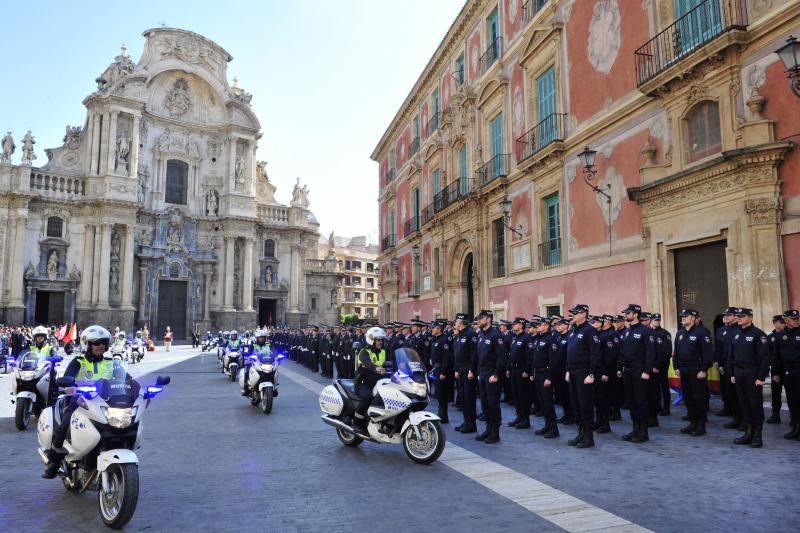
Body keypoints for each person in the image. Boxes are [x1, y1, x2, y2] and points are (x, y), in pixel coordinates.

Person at [42, 325, 114, 478]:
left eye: (104, 342)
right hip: (80, 400)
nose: (101, 345)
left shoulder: (111, 362)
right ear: (87, 344)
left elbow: (125, 378)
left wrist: (138, 388)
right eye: (96, 342)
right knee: (66, 422)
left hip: (105, 401)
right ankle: (54, 461)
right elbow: (68, 377)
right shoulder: (78, 361)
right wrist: (71, 384)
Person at [729, 308, 770, 448]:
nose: (739, 318)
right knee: (743, 403)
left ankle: (757, 435)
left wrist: (761, 376)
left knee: (755, 404)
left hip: (752, 373)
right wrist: (732, 373)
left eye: (742, 316)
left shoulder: (758, 335)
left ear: (750, 317)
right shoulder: (735, 334)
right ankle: (748, 432)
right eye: (738, 316)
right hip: (739, 372)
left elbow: (764, 358)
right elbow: (731, 356)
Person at [565, 304, 603, 448]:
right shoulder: (574, 330)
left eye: (576, 313)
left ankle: (588, 438)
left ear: (584, 314)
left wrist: (591, 373)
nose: (573, 315)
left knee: (585, 405)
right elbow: (569, 352)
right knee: (576, 405)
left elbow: (595, 353)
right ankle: (580, 433)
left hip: (584, 372)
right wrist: (568, 370)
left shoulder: (589, 331)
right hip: (573, 372)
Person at [618, 304, 656, 444]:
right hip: (627, 370)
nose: (625, 315)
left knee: (641, 401)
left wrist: (647, 371)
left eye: (628, 313)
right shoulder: (627, 331)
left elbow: (650, 353)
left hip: (639, 370)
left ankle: (643, 431)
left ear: (635, 314)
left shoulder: (645, 331)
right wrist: (620, 366)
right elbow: (622, 351)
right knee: (631, 401)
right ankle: (635, 428)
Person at [673, 308, 714, 436]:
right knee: (688, 397)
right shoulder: (680, 333)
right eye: (682, 316)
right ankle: (692, 422)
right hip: (684, 369)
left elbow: (707, 353)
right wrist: (676, 367)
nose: (683, 318)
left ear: (693, 318)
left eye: (686, 316)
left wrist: (704, 369)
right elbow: (676, 353)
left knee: (699, 398)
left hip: (696, 370)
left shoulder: (702, 332)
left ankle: (701, 425)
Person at [474, 310, 506, 444]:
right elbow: (479, 355)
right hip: (482, 373)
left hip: (492, 374)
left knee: (493, 404)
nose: (478, 321)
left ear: (488, 319)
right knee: (485, 403)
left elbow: (501, 357)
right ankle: (488, 428)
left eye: (481, 318)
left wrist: (496, 374)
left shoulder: (496, 335)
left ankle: (495, 433)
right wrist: (477, 372)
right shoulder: (481, 334)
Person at [354, 327, 388, 432]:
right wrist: (375, 368)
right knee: (368, 397)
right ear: (371, 339)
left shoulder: (383, 352)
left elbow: (392, 362)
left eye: (381, 340)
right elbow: (367, 363)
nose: (380, 342)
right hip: (363, 383)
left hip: (379, 382)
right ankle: (357, 423)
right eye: (378, 340)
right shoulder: (364, 352)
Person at [453, 313, 478, 434]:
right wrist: (456, 369)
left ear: (461, 322)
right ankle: (466, 421)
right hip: (461, 369)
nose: (455, 323)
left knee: (469, 397)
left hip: (468, 369)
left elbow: (473, 354)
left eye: (456, 321)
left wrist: (471, 370)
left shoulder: (470, 334)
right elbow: (457, 354)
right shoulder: (458, 335)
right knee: (462, 397)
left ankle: (471, 424)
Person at [778, 309, 800, 439]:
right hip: (787, 371)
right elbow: (777, 356)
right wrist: (775, 372)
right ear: (786, 320)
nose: (796, 320)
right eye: (793, 318)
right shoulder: (780, 335)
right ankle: (796, 426)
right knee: (792, 400)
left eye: (797, 318)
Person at [506, 317, 532, 429]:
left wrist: (527, 370)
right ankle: (519, 417)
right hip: (514, 370)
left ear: (521, 325)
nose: (513, 325)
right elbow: (511, 354)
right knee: (516, 395)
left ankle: (525, 419)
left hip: (522, 370)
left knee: (523, 396)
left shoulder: (527, 338)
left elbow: (529, 356)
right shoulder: (514, 338)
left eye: (515, 324)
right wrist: (508, 368)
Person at [429, 320, 453, 424]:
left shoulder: (444, 340)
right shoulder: (435, 339)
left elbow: (446, 358)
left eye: (433, 328)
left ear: (438, 329)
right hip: (436, 369)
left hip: (441, 370)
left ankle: (444, 416)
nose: (431, 329)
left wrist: (443, 372)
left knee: (442, 394)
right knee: (438, 393)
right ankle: (441, 413)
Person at [767, 314, 786, 424]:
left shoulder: (789, 335)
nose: (783, 324)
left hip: (789, 368)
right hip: (776, 369)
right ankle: (775, 414)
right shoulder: (770, 338)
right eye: (781, 322)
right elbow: (768, 355)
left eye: (784, 322)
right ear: (775, 323)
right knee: (775, 393)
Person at [242, 329, 271, 396]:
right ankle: (246, 387)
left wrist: (278, 355)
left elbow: (274, 351)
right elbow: (249, 352)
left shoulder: (268, 345)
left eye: (263, 337)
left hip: (266, 362)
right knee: (247, 370)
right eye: (261, 338)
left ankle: (274, 385)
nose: (262, 339)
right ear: (257, 338)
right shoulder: (253, 345)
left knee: (273, 369)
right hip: (254, 362)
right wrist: (248, 354)